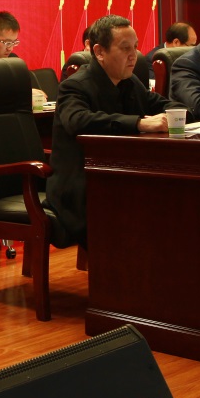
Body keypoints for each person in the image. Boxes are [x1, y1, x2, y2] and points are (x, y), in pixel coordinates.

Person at [46, 15, 170, 249]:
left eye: (135, 47)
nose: (134, 55)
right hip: (81, 186)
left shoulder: (130, 82)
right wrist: (139, 123)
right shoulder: (75, 85)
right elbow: (77, 120)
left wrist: (180, 114)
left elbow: (162, 104)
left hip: (120, 177)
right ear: (99, 52)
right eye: (125, 48)